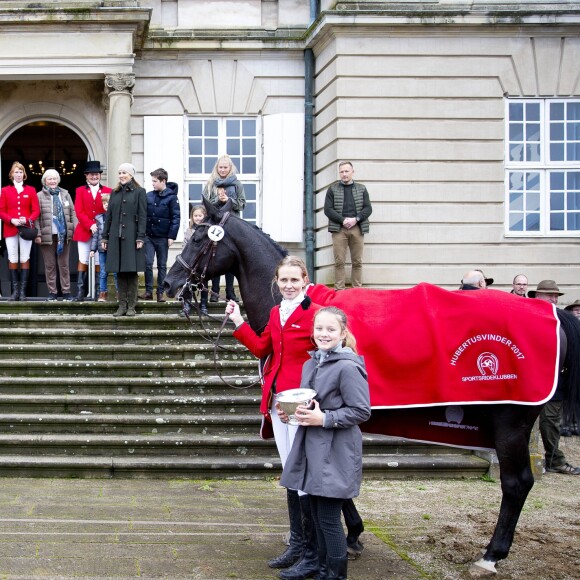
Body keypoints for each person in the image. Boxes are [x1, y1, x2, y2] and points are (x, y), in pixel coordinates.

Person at [280, 306, 371, 580]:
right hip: (312, 449)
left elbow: (361, 411)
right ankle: (319, 568)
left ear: (343, 333)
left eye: (331, 329)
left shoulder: (348, 367)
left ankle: (335, 575)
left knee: (330, 520)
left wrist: (324, 419)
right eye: (319, 328)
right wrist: (291, 413)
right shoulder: (311, 363)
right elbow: (309, 404)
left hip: (337, 452)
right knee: (316, 517)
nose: (324, 334)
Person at [529, 280, 580, 474]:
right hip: (532, 380)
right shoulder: (529, 315)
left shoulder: (561, 320)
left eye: (556, 295)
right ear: (537, 296)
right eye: (549, 294)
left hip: (555, 381)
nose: (554, 298)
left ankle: (554, 459)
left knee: (551, 422)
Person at [101, 163, 147, 317]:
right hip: (116, 237)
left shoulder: (140, 192)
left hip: (133, 237)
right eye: (120, 172)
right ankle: (121, 306)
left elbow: (142, 216)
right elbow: (109, 217)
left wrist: (140, 236)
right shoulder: (114, 193)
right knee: (119, 271)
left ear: (131, 175)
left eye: (124, 173)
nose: (121, 175)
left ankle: (132, 306)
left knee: (131, 272)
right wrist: (105, 237)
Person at [202, 155, 246, 302]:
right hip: (215, 225)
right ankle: (214, 292)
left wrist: (229, 201)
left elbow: (242, 204)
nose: (222, 170)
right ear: (217, 168)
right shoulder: (210, 184)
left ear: (230, 168)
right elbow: (204, 206)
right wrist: (217, 200)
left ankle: (230, 291)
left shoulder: (237, 184)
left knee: (231, 259)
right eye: (220, 167)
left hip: (232, 224)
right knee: (215, 258)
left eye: (225, 167)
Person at [324, 161, 372, 290]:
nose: (344, 174)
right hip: (339, 229)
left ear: (352, 172)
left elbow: (368, 209)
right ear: (339, 173)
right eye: (342, 172)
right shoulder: (332, 189)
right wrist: (343, 220)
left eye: (347, 171)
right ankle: (339, 290)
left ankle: (357, 290)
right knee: (339, 262)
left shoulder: (362, 188)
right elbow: (328, 210)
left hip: (357, 228)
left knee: (357, 262)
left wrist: (356, 219)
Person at [0, 161, 41, 301]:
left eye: (21, 172)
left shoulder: (31, 190)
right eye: (16, 172)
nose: (18, 174)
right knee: (13, 258)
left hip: (26, 228)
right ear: (11, 174)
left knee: (24, 258)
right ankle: (15, 292)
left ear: (24, 174)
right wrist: (11, 220)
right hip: (10, 228)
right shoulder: (5, 190)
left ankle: (23, 292)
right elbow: (1, 211)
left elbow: (36, 210)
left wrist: (27, 219)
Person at [34, 169, 77, 301]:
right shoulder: (39, 195)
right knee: (50, 265)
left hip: (63, 236)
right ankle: (52, 292)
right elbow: (36, 217)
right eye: (49, 179)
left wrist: (74, 230)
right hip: (47, 236)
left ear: (58, 180)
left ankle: (66, 291)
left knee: (64, 265)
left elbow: (72, 213)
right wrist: (38, 233)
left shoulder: (65, 194)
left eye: (54, 179)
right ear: (45, 181)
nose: (52, 181)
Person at [72, 160, 112, 301]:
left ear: (100, 176)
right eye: (91, 175)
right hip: (84, 230)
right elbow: (79, 211)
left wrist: (101, 226)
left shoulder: (108, 191)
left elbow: (109, 212)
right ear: (86, 176)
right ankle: (80, 292)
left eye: (96, 174)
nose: (94, 177)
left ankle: (98, 292)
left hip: (101, 232)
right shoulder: (80, 190)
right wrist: (90, 224)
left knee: (99, 262)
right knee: (83, 260)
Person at [139, 168, 180, 302]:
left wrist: (171, 236)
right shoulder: (149, 195)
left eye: (155, 181)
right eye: (152, 181)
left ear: (163, 181)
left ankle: (160, 292)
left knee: (162, 265)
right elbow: (143, 215)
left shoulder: (172, 197)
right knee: (148, 263)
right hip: (149, 236)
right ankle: (149, 291)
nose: (153, 183)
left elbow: (175, 218)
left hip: (163, 237)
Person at [180, 205, 208, 317]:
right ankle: (187, 305)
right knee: (188, 284)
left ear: (204, 216)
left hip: (203, 263)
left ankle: (204, 305)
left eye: (200, 215)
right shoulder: (189, 230)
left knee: (204, 284)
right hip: (191, 263)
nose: (197, 218)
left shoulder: (207, 230)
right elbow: (185, 244)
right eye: (195, 215)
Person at [89, 193, 111, 302]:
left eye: (108, 203)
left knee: (116, 273)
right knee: (103, 272)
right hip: (102, 250)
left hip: (114, 249)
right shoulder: (99, 218)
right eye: (105, 203)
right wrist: (93, 249)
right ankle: (103, 293)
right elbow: (96, 235)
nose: (106, 205)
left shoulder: (116, 217)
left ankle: (119, 293)